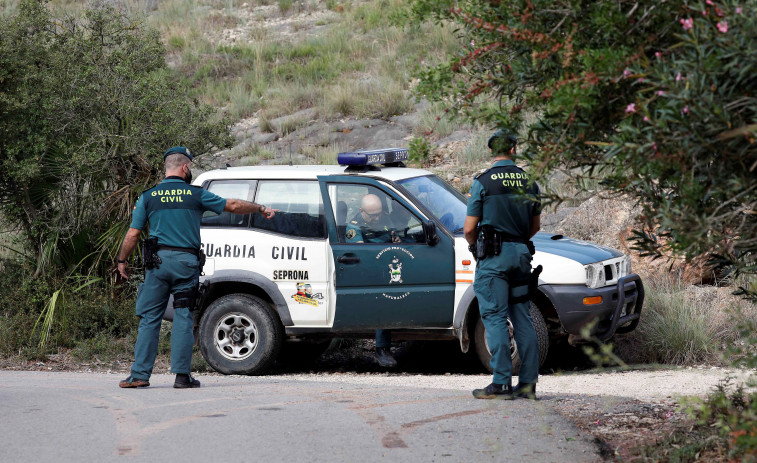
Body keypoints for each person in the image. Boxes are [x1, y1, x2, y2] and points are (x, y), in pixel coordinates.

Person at [116, 146, 276, 389]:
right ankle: (182, 377)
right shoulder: (195, 195)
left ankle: (139, 375)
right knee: (183, 316)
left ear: (166, 167)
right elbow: (232, 205)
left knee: (150, 318)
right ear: (185, 167)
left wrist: (121, 260)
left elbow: (133, 233)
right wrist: (260, 208)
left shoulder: (149, 196)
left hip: (157, 265)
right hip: (185, 264)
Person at [464, 129, 541, 400]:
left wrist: (476, 247)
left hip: (494, 259)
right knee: (522, 316)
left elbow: (469, 228)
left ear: (491, 152)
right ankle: (529, 384)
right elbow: (535, 226)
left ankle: (501, 384)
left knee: (495, 317)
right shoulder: (530, 181)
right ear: (513, 149)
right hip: (521, 255)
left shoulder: (483, 182)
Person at [345, 193, 400, 368]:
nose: (377, 218)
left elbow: (394, 236)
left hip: (387, 266)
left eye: (379, 214)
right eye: (372, 215)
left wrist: (397, 240)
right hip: (366, 274)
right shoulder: (353, 228)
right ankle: (381, 349)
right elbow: (362, 256)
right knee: (383, 299)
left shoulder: (384, 219)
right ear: (362, 211)